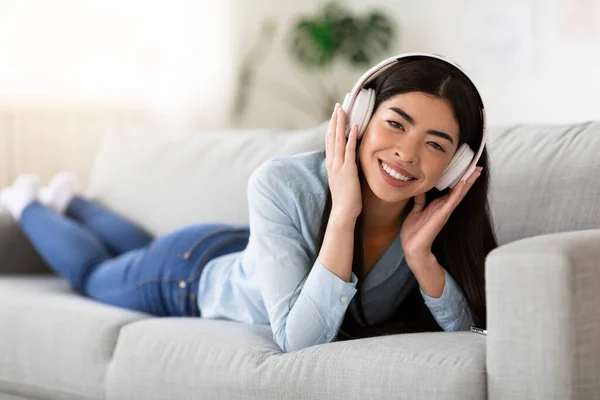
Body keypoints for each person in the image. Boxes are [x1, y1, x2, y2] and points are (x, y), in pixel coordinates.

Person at [0, 53, 497, 353]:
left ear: (455, 165)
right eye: (395, 123)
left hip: (244, 251)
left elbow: (469, 329)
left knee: (138, 248)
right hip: (188, 275)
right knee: (93, 276)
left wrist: (420, 257)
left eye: (435, 144)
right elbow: (298, 340)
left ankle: (75, 201)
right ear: (361, 115)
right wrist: (344, 214)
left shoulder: (432, 220)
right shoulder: (282, 182)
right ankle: (31, 202)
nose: (407, 154)